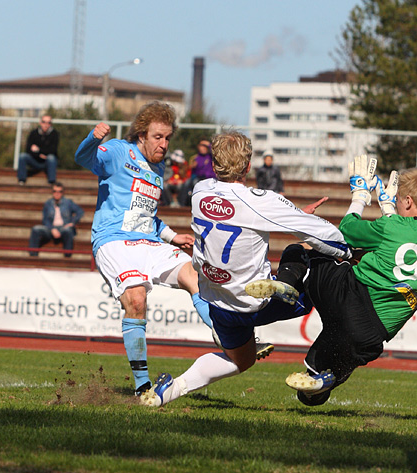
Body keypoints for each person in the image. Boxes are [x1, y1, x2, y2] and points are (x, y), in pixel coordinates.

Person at [140, 131, 352, 408]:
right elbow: (324, 235)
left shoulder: (200, 190)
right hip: (257, 302)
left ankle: (169, 391)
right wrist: (347, 251)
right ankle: (292, 291)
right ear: (248, 165)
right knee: (308, 258)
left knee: (242, 360)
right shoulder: (261, 200)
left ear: (214, 165)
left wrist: (295, 215)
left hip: (219, 303)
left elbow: (236, 209)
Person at [75, 102, 271, 397]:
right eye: (158, 137)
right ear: (141, 134)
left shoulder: (158, 167)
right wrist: (93, 137)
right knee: (136, 300)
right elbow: (82, 157)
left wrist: (170, 236)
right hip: (114, 241)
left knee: (196, 275)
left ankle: (228, 337)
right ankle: (143, 387)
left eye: (168, 138)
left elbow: (147, 215)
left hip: (149, 242)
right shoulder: (117, 151)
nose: (164, 144)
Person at [247, 162, 417, 406]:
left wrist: (360, 196)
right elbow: (408, 241)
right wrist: (388, 207)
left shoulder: (394, 225)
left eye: (399, 200)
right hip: (373, 335)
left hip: (348, 296)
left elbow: (347, 229)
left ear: (409, 202)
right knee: (309, 394)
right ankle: (325, 380)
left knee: (304, 248)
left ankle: (285, 282)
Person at [28, 182, 84, 257]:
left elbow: (80, 211)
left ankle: (68, 256)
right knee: (35, 229)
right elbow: (45, 220)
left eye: (59, 191)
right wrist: (52, 229)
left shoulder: (68, 202)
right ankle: (33, 254)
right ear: (52, 192)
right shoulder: (48, 203)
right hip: (51, 228)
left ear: (62, 192)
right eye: (55, 191)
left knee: (68, 231)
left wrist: (72, 222)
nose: (57, 193)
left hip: (64, 228)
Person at [17, 115, 59, 185]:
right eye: (44, 122)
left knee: (51, 158)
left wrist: (38, 150)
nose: (46, 125)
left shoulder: (55, 134)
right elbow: (28, 149)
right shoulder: (33, 133)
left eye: (48, 122)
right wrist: (40, 155)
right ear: (40, 122)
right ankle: (21, 180)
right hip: (34, 160)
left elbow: (53, 150)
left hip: (47, 161)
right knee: (22, 156)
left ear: (51, 124)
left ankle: (51, 182)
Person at [178, 138, 216, 206]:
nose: (203, 148)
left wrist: (209, 144)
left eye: (205, 146)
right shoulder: (196, 158)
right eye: (201, 145)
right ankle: (181, 204)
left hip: (209, 178)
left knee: (196, 183)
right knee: (187, 182)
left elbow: (214, 150)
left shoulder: (210, 157)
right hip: (198, 177)